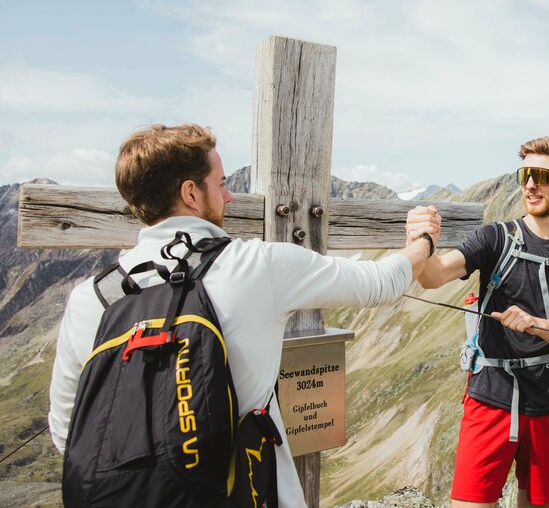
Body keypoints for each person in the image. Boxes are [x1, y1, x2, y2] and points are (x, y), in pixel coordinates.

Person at [48, 123, 439, 508]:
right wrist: (423, 241)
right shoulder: (255, 266)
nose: (229, 196)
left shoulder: (90, 299)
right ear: (190, 193)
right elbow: (379, 283)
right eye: (219, 183)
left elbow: (69, 430)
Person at [407, 136, 549, 508]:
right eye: (525, 174)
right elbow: (432, 276)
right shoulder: (495, 238)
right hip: (490, 395)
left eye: (542, 176)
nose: (530, 185)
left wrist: (535, 323)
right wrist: (420, 239)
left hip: (548, 401)